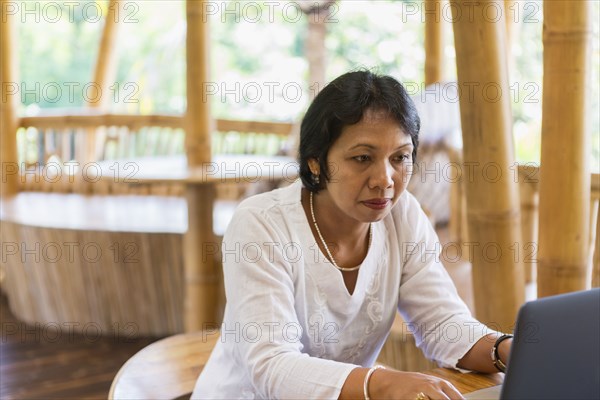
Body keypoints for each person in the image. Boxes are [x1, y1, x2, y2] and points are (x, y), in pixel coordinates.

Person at [191, 70, 512, 400]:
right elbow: (272, 366)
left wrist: (506, 350)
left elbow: (444, 324)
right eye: (362, 158)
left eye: (400, 157)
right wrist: (384, 382)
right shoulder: (261, 223)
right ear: (316, 162)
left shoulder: (403, 215)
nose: (385, 179)